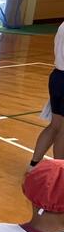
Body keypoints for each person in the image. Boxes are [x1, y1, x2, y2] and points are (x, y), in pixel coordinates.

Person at [29, 21, 64, 170]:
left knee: (55, 125)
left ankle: (33, 165)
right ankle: (59, 171)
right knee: (62, 130)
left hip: (57, 77)